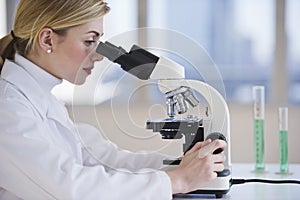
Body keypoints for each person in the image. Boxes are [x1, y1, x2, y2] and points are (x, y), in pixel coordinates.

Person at [0, 0, 227, 199]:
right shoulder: (9, 107)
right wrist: (177, 181)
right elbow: (71, 187)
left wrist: (177, 166)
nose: (99, 55)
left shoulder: (39, 97)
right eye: (90, 41)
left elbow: (102, 160)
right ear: (48, 39)